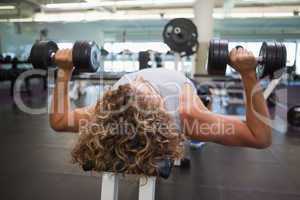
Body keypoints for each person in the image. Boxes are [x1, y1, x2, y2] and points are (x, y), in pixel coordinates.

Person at [49, 47, 271, 175]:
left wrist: (64, 70)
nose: (139, 79)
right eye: (143, 89)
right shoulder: (189, 115)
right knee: (207, 94)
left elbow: (59, 121)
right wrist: (249, 73)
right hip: (186, 84)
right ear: (159, 107)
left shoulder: (108, 109)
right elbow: (259, 137)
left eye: (129, 89)